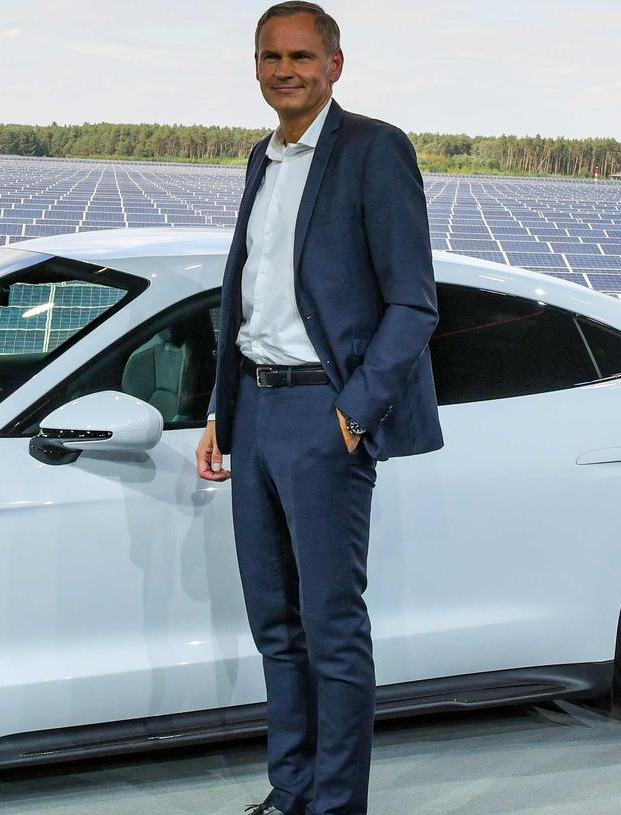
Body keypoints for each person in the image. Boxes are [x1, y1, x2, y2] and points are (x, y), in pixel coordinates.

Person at [195, 3, 445, 813]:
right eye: (270, 56)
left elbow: (414, 304)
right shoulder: (260, 160)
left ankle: (335, 805)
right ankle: (290, 790)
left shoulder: (374, 150)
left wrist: (354, 411)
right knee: (276, 626)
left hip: (322, 413)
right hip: (257, 413)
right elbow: (246, 300)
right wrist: (219, 412)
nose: (284, 70)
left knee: (331, 629)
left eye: (301, 55)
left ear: (336, 64)